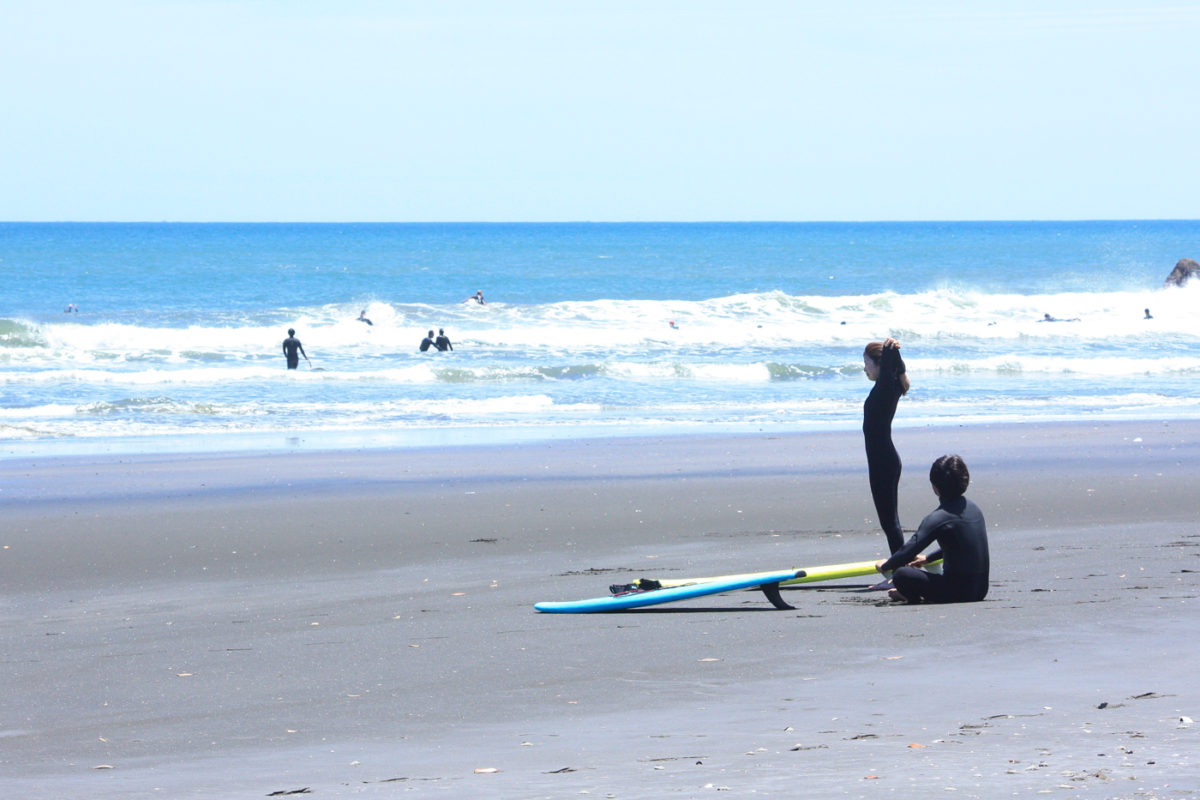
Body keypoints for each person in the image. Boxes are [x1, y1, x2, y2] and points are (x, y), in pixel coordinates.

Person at [875, 454, 989, 604]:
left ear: (935, 486)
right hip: (980, 590)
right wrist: (928, 558)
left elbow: (910, 549)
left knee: (902, 574)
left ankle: (909, 596)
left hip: (956, 592)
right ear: (965, 480)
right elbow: (963, 545)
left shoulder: (938, 518)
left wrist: (886, 565)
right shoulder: (974, 509)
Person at [863, 338, 909, 555]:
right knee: (891, 522)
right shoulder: (893, 386)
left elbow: (891, 361)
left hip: (883, 463)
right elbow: (894, 367)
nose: (865, 369)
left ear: (880, 364)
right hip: (886, 460)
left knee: (890, 523)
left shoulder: (885, 387)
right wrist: (893, 354)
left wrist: (891, 347)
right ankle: (900, 568)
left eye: (867, 363)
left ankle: (898, 574)